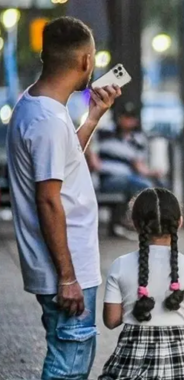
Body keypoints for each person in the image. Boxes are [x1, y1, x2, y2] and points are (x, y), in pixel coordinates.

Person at [6, 17, 121, 379]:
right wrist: (68, 277)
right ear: (86, 61)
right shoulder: (48, 122)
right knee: (68, 365)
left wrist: (93, 117)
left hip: (62, 265)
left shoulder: (36, 106)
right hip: (65, 268)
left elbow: (64, 162)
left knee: (71, 357)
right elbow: (48, 200)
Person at [99, 188, 184, 380]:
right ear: (179, 222)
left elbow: (111, 320)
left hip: (129, 366)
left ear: (135, 223)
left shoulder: (120, 265)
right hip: (177, 368)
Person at [89, 101, 168, 237]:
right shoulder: (105, 132)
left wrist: (153, 173)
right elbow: (90, 146)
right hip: (108, 178)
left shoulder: (137, 140)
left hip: (128, 178)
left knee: (154, 185)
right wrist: (93, 160)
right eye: (125, 117)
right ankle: (132, 219)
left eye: (130, 117)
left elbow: (139, 166)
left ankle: (148, 220)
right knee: (142, 185)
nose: (127, 121)